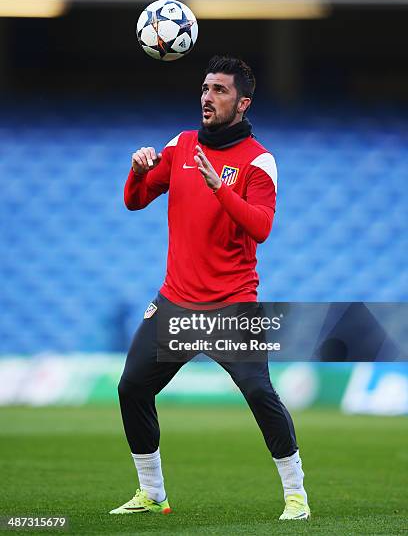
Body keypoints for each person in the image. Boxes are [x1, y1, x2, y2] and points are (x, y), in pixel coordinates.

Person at [110, 56, 310, 521]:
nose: (207, 97)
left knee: (260, 393)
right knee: (131, 388)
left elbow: (261, 227)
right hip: (176, 303)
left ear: (242, 103)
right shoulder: (179, 145)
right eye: (205, 88)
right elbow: (134, 201)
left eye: (219, 90)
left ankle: (296, 494)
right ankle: (152, 492)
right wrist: (138, 170)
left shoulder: (259, 160)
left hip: (230, 305)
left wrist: (221, 188)